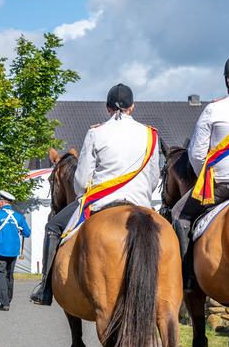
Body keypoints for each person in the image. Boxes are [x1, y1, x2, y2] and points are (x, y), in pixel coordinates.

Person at [30, 83, 160, 305]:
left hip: (101, 202)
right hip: (141, 203)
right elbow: (154, 177)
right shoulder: (150, 134)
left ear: (107, 108)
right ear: (132, 107)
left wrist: (83, 195)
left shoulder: (96, 133)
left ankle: (45, 288)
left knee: (52, 227)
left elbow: (81, 181)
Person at [173, 54, 229, 292]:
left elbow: (196, 156)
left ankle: (188, 282)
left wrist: (203, 180)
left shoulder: (214, 109)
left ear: (227, 81)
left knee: (179, 215)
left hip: (222, 186)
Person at [0, 191, 31, 311]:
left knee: (1, 275)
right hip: (14, 250)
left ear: (1, 202)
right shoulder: (18, 216)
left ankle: (4, 303)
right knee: (9, 275)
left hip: (0, 250)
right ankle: (8, 298)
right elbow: (27, 233)